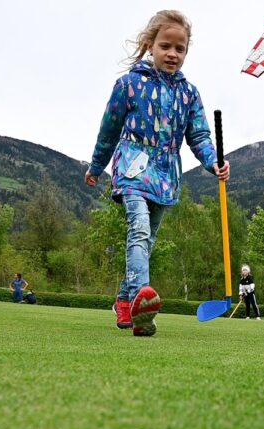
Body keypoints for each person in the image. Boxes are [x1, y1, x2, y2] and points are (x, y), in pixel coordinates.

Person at [85, 10, 230, 337]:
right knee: (138, 228)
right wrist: (96, 167)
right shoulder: (128, 85)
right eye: (166, 46)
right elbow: (108, 131)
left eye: (180, 49)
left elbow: (200, 136)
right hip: (132, 166)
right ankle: (141, 300)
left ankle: (125, 300)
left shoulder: (189, 94)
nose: (173, 54)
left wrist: (213, 162)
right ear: (150, 45)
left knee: (146, 241)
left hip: (166, 174)